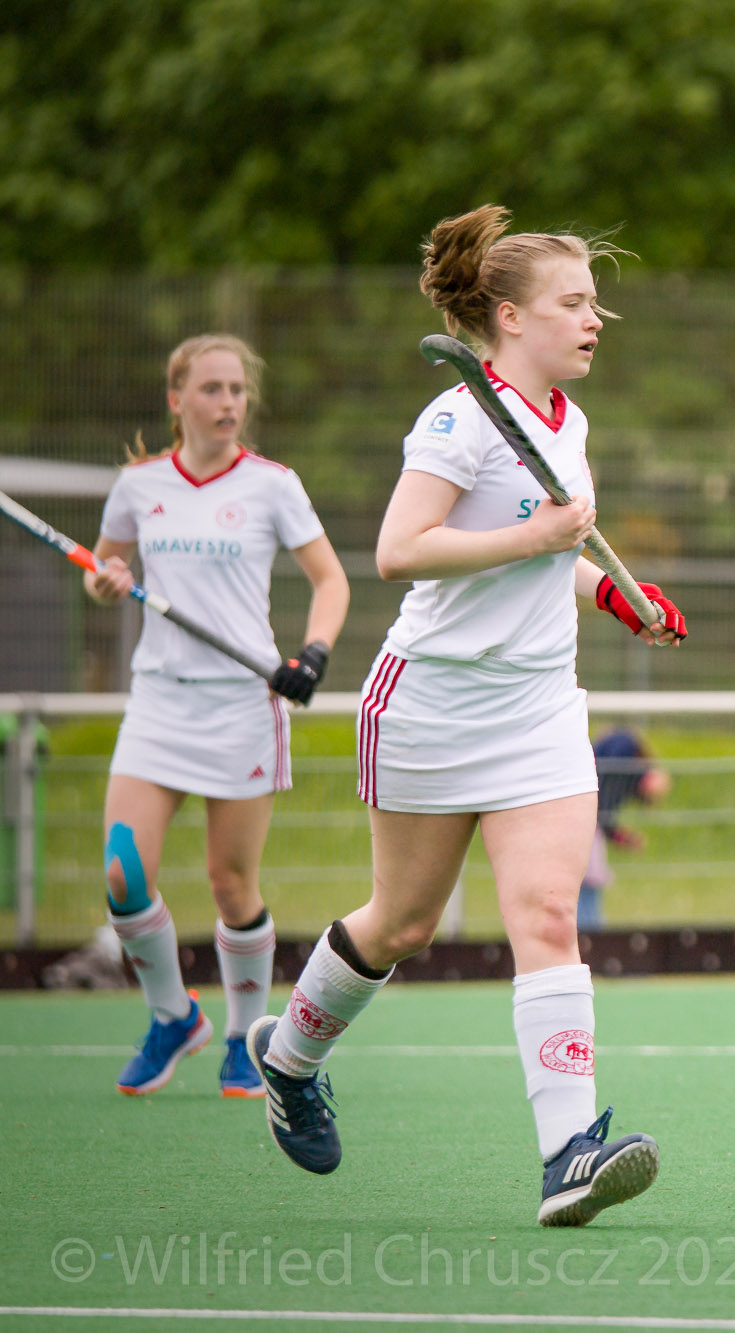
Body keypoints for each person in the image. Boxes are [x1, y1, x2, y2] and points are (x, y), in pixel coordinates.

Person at [246, 205, 686, 1228]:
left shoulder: (568, 422)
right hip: (431, 702)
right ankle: (291, 1058)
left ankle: (568, 1153)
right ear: (509, 317)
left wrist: (611, 592)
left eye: (595, 302)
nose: (595, 319)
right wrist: (540, 539)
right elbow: (401, 549)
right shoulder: (456, 421)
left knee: (547, 914)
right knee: (400, 923)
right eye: (574, 303)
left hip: (539, 707)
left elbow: (546, 552)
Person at [84, 333, 350, 1098]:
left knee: (231, 884)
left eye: (237, 389)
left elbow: (330, 581)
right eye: (211, 388)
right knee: (122, 872)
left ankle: (243, 1036)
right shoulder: (138, 485)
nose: (228, 401)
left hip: (242, 705)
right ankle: (173, 1016)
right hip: (160, 701)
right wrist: (107, 581)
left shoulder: (272, 485)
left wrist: (312, 655)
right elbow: (104, 568)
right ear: (177, 400)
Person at [578, 727, 669, 931]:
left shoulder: (626, 778)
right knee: (588, 878)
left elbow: (605, 814)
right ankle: (590, 930)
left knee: (588, 879)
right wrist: (623, 838)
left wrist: (623, 838)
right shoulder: (627, 752)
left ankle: (591, 928)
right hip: (584, 818)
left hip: (587, 818)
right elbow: (604, 811)